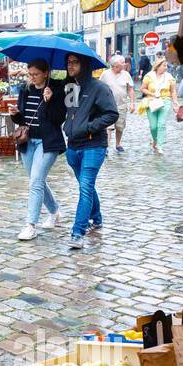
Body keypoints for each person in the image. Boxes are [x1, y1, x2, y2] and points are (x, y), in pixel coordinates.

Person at [63, 52, 118, 249]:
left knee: (85, 187)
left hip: (93, 146)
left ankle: (77, 232)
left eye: (74, 62)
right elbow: (71, 114)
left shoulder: (99, 88)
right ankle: (97, 217)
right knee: (86, 186)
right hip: (73, 146)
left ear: (84, 64)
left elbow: (112, 113)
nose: (70, 66)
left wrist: (89, 127)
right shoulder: (70, 87)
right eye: (68, 62)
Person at [9, 58, 67, 241]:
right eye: (30, 74)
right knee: (37, 180)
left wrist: (50, 101)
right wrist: (15, 114)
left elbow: (58, 119)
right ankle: (55, 211)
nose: (32, 78)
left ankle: (30, 225)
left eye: (35, 74)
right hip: (28, 141)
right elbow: (22, 120)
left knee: (35, 181)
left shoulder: (56, 90)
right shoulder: (25, 90)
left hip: (48, 142)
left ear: (45, 73)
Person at [139, 53, 178, 155]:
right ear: (158, 66)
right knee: (153, 126)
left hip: (165, 101)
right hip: (151, 101)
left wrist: (175, 103)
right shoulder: (149, 76)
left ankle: (160, 145)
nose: (166, 67)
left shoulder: (169, 77)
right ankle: (155, 139)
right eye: (164, 65)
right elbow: (142, 89)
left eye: (166, 66)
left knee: (161, 124)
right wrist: (151, 93)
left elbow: (173, 91)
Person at [104, 53, 136, 153]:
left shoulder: (126, 74)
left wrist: (132, 103)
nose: (125, 64)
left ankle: (118, 144)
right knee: (108, 127)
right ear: (115, 65)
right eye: (122, 62)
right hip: (107, 105)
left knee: (120, 126)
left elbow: (130, 89)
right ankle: (106, 147)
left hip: (121, 105)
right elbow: (99, 88)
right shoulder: (105, 74)